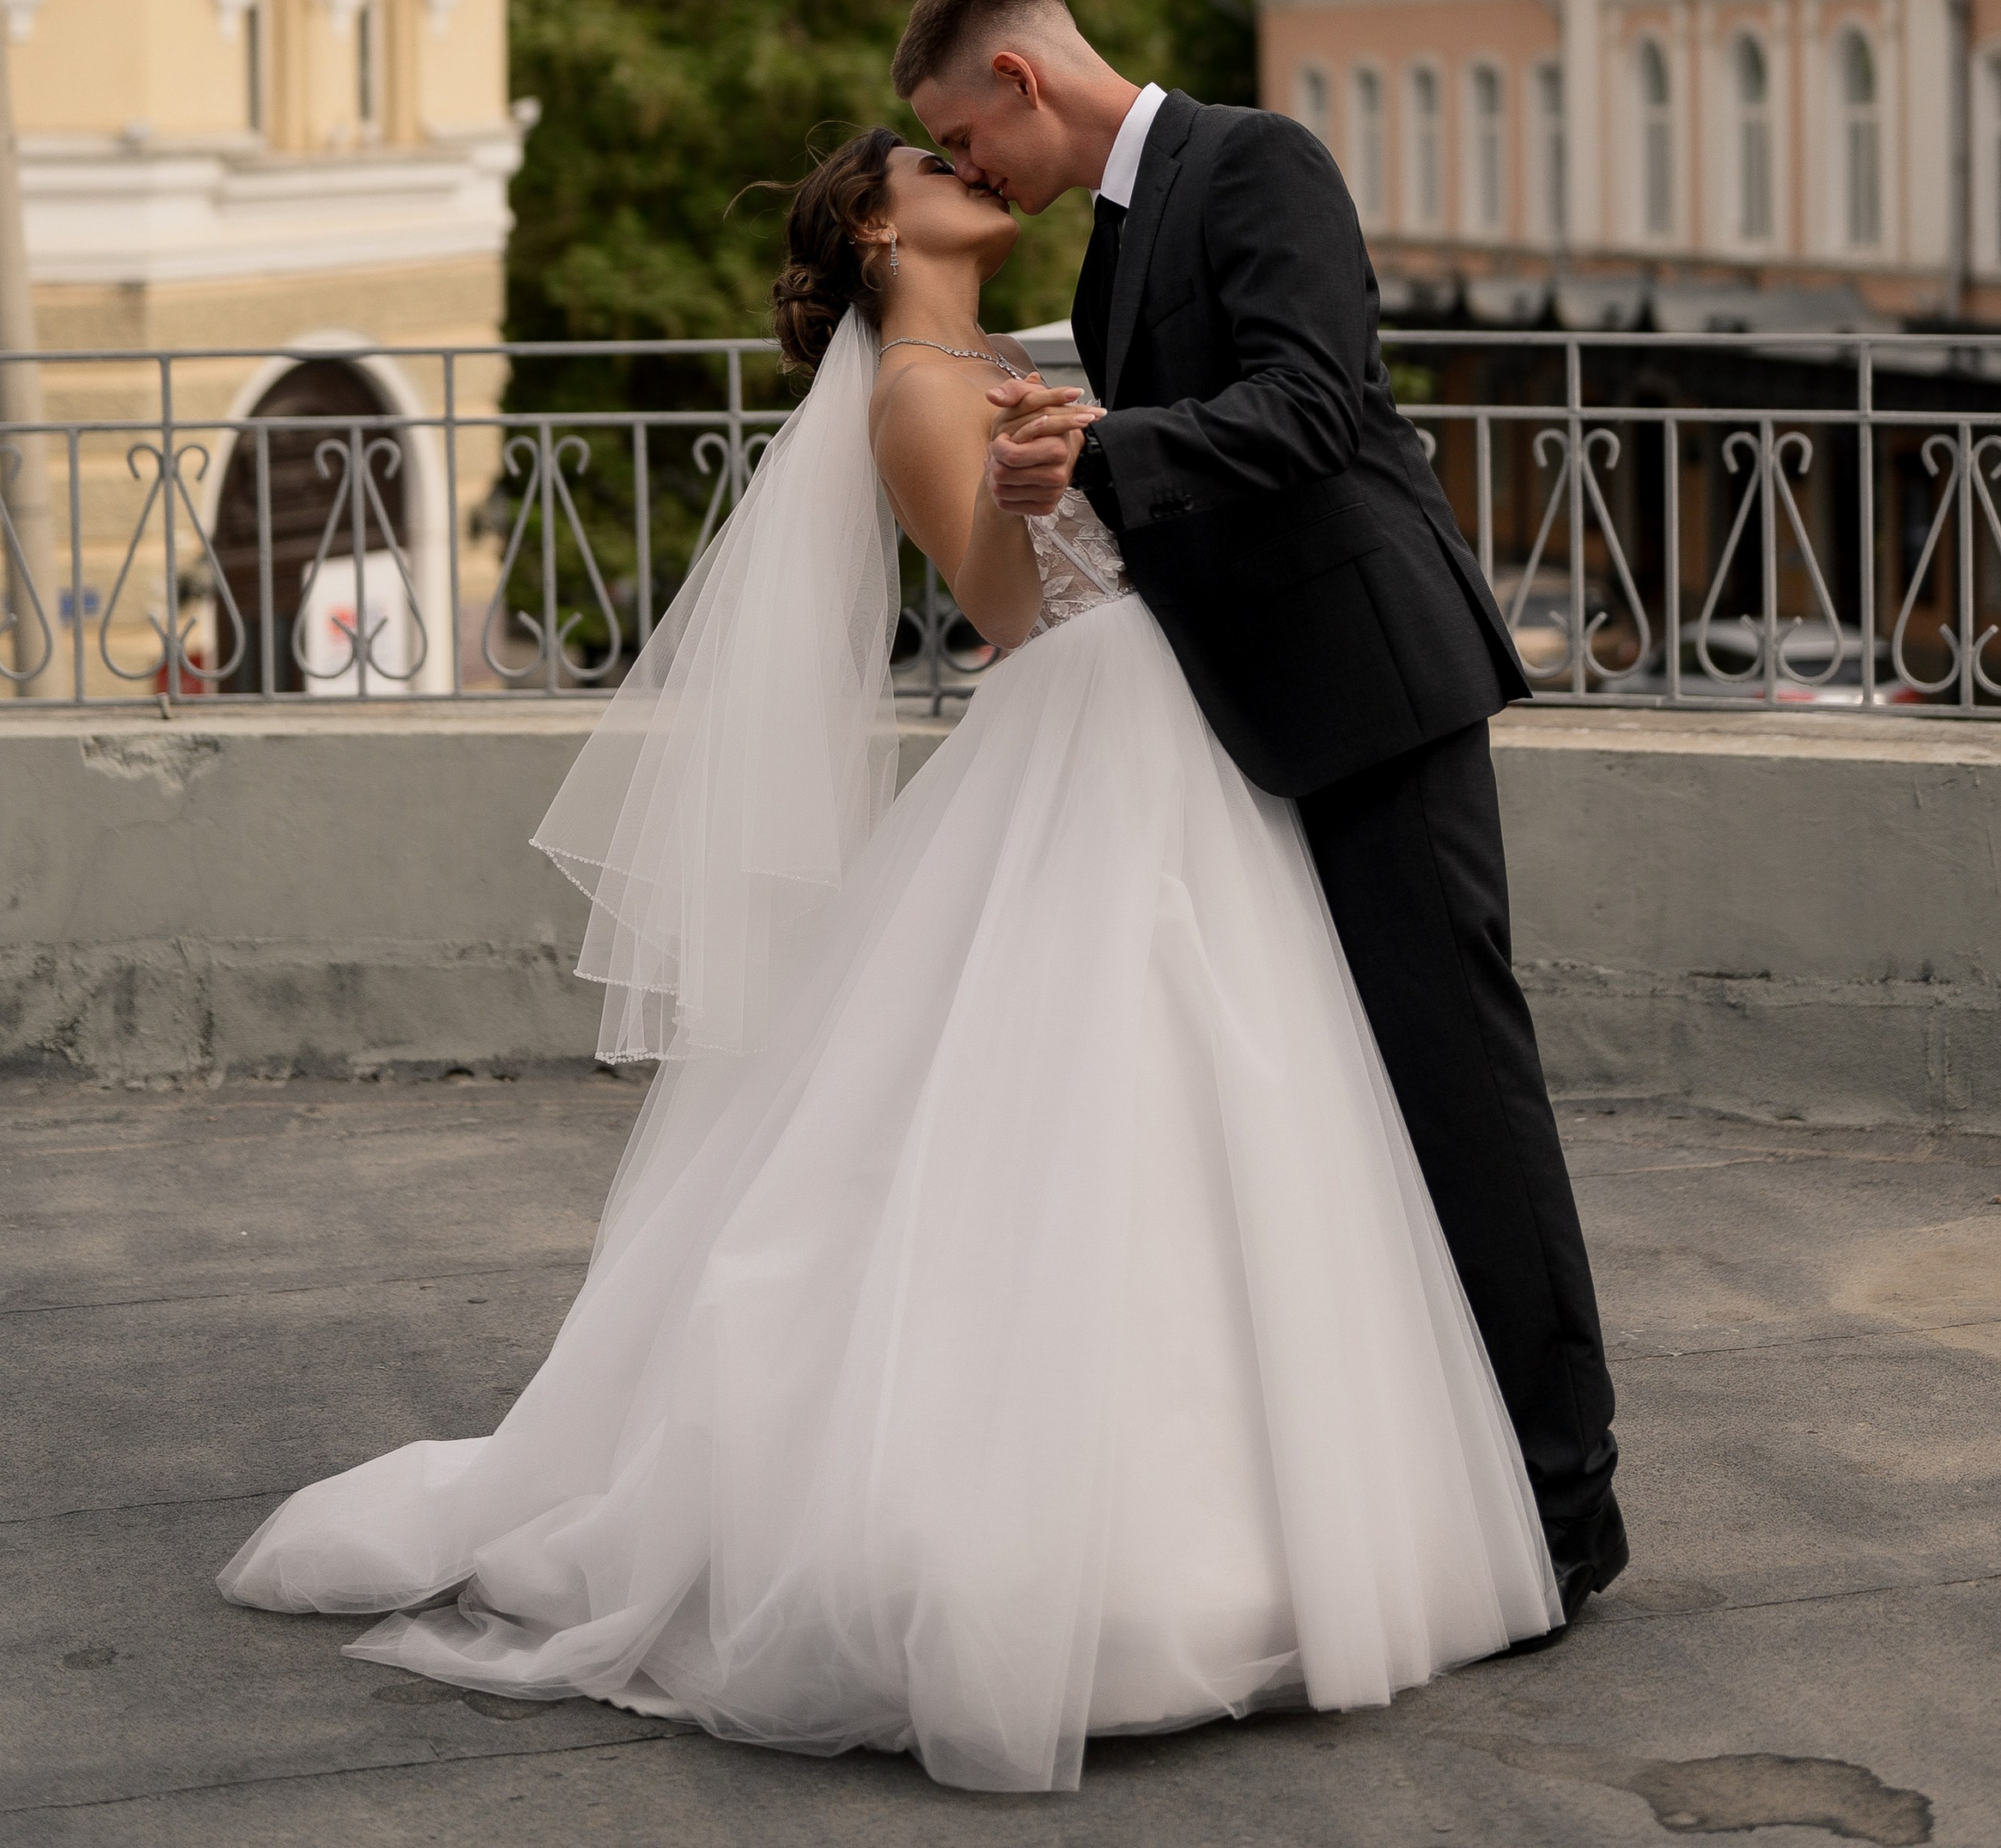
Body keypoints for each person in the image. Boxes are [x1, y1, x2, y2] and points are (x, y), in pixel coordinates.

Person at [217, 127, 1560, 1794]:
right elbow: (1012, 602)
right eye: (934, 158)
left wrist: (1106, 446)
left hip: (1168, 726)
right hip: (1096, 716)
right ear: (875, 217)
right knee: (1083, 1110)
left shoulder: (1002, 352)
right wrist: (1084, 479)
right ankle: (1062, 1560)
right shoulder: (918, 384)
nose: (975, 171)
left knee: (1214, 1103)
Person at [893, 0, 1624, 1622]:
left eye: (960, 135)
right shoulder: (1114, 232)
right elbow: (1185, 458)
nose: (966, 171)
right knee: (1365, 1116)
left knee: (1463, 1096)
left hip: (1377, 697)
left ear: (1017, 75)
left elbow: (1314, 404)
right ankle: (1460, 1483)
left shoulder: (1255, 160)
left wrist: (1102, 450)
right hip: (1263, 716)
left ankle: (1571, 1508)